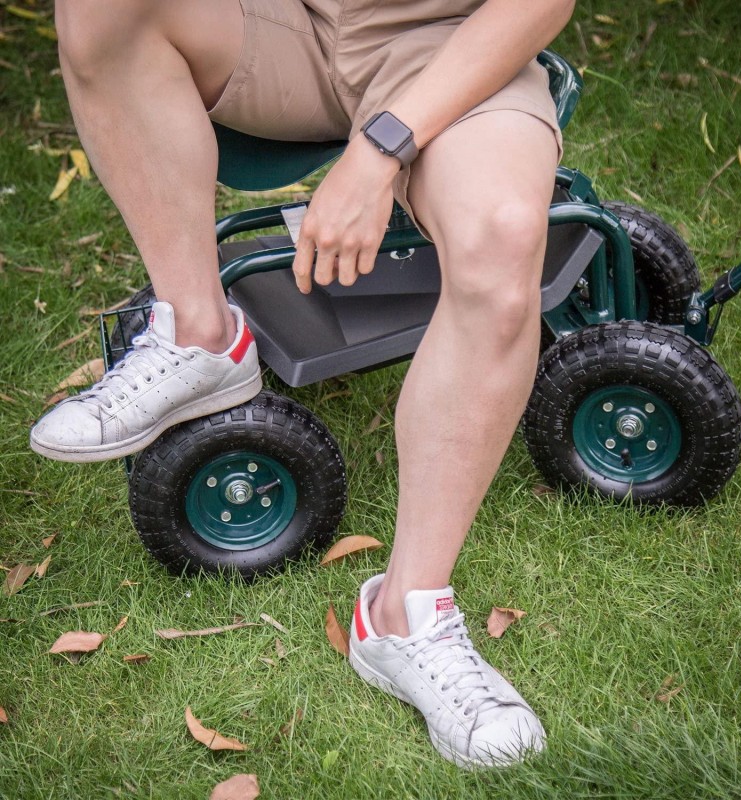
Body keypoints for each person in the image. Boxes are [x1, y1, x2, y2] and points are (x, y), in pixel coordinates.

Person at [31, 0, 575, 767]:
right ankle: (199, 332)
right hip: (280, 21)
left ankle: (403, 616)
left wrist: (382, 146)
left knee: (502, 241)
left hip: (447, 43)